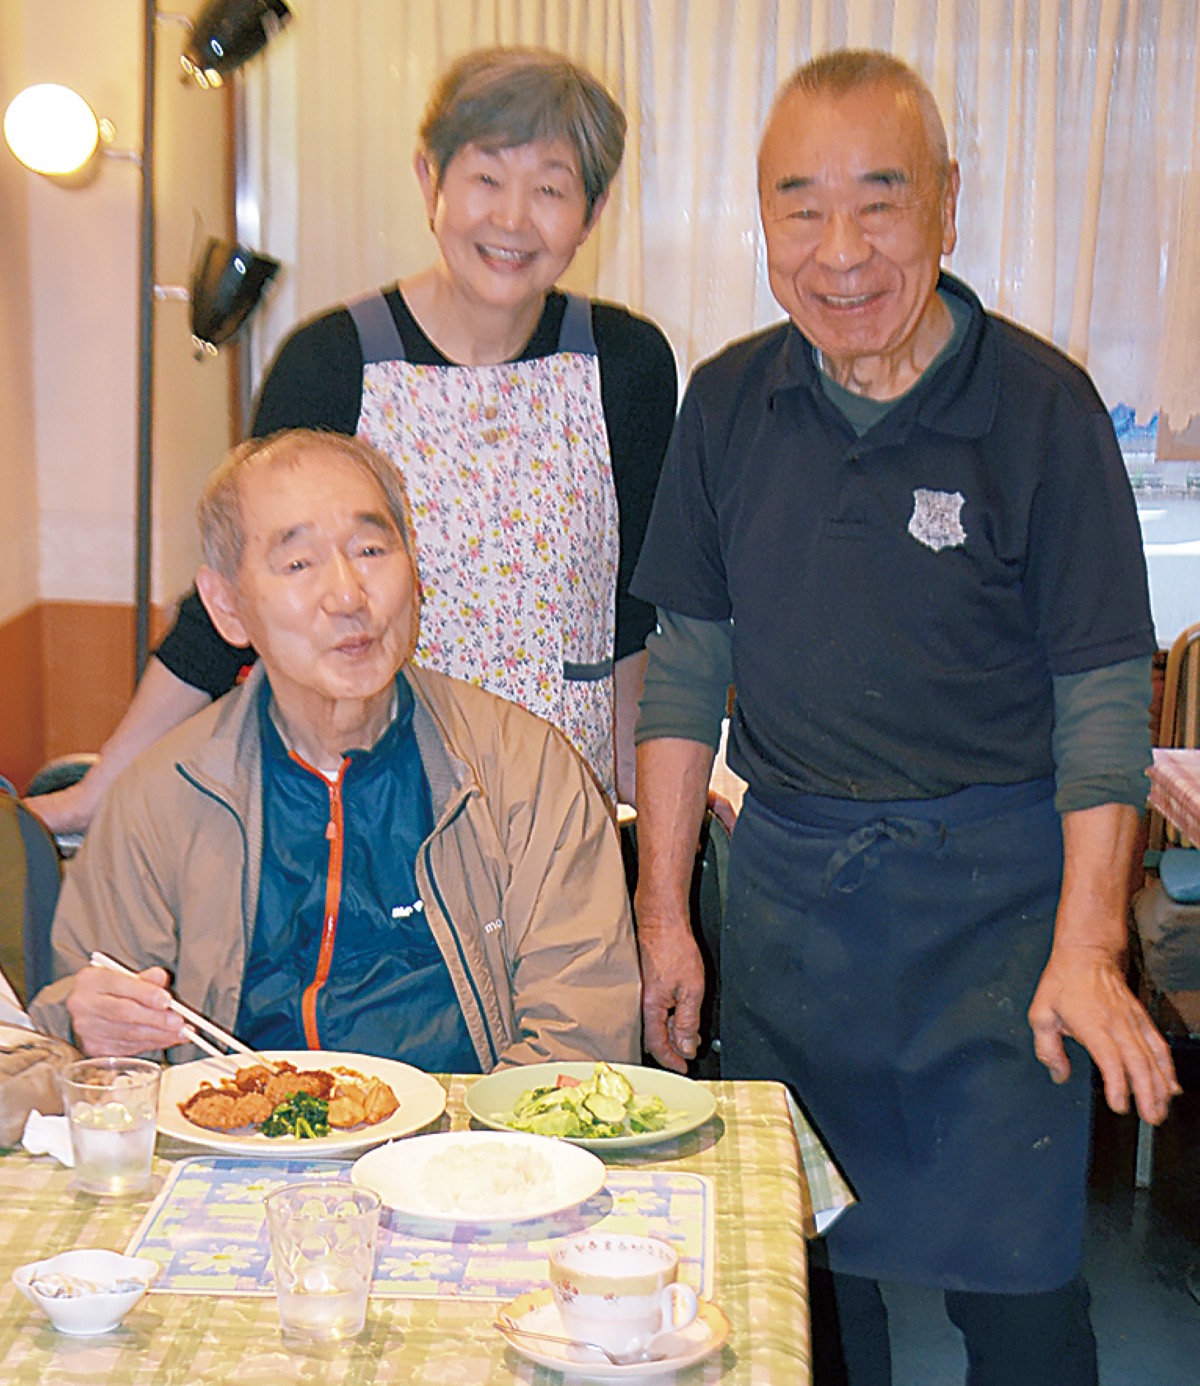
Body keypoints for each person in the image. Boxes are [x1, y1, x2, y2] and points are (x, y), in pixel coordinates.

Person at [629, 49, 1180, 1386]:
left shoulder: (1041, 409)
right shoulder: (727, 402)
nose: (840, 251)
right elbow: (687, 666)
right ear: (760, 223)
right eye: (798, 209)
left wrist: (1091, 946)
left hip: (1002, 919)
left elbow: (1105, 693)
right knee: (804, 1286)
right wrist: (662, 916)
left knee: (1029, 1298)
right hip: (791, 904)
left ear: (943, 204)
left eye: (878, 203)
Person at [29, 46, 677, 834]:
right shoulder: (335, 361)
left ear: (593, 212)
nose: (512, 218)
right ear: (428, 182)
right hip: (364, 814)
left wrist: (658, 823)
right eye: (485, 178)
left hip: (556, 823)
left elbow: (633, 618)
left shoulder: (627, 365)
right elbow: (237, 598)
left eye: (549, 188)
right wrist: (99, 791)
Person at [29, 430, 641, 1072]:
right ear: (226, 607)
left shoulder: (525, 770)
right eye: (298, 564)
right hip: (234, 1150)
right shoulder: (160, 799)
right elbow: (68, 1054)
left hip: (463, 1150)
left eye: (371, 549)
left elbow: (583, 1038)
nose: (349, 597)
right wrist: (86, 1023)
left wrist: (459, 1157)